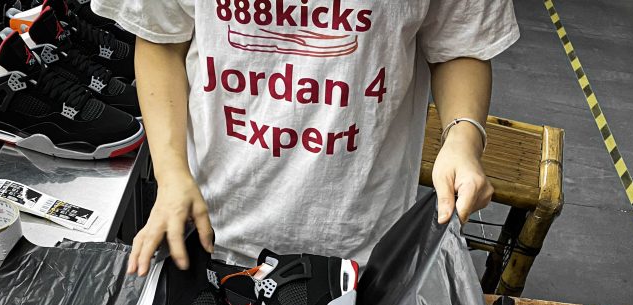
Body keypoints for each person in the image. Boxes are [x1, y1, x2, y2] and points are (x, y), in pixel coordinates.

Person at [92, 0, 519, 275]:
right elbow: (161, 38)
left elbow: (460, 43)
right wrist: (170, 173)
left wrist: (463, 138)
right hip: (208, 230)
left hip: (363, 247)